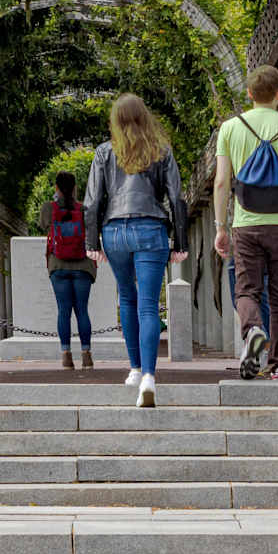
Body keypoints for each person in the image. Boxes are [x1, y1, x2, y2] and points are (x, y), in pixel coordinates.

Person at [85, 94, 188, 407]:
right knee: (148, 305)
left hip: (114, 232)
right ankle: (149, 378)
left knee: (126, 297)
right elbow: (176, 198)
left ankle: (133, 368)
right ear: (145, 117)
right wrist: (180, 242)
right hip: (150, 230)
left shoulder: (104, 152)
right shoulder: (161, 151)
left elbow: (92, 201)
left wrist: (92, 243)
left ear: (115, 121)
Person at [214, 64, 278, 380]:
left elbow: (220, 182)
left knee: (247, 290)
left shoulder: (230, 129)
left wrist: (220, 227)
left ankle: (253, 329)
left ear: (249, 93)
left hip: (246, 225)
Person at [42, 170, 96, 369]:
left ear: (56, 187)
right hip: (83, 265)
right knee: (82, 310)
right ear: (75, 188)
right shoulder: (84, 208)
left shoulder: (49, 207)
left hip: (58, 265)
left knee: (63, 310)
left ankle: (66, 355)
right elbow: (91, 230)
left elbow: (43, 225)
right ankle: (86, 354)